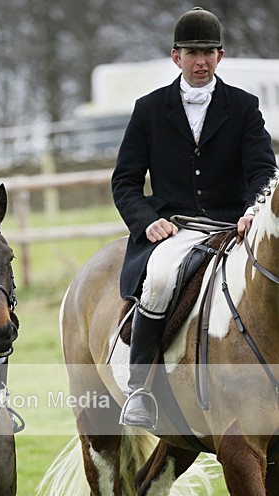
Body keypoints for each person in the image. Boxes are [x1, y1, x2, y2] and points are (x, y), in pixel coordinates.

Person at [111, 6, 277, 428]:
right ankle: (140, 391)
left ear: (220, 56)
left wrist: (253, 210)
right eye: (192, 53)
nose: (200, 61)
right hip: (177, 228)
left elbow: (263, 169)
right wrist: (147, 219)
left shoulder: (243, 107)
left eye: (208, 52)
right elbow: (125, 181)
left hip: (233, 224)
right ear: (175, 56)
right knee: (162, 277)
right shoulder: (149, 109)